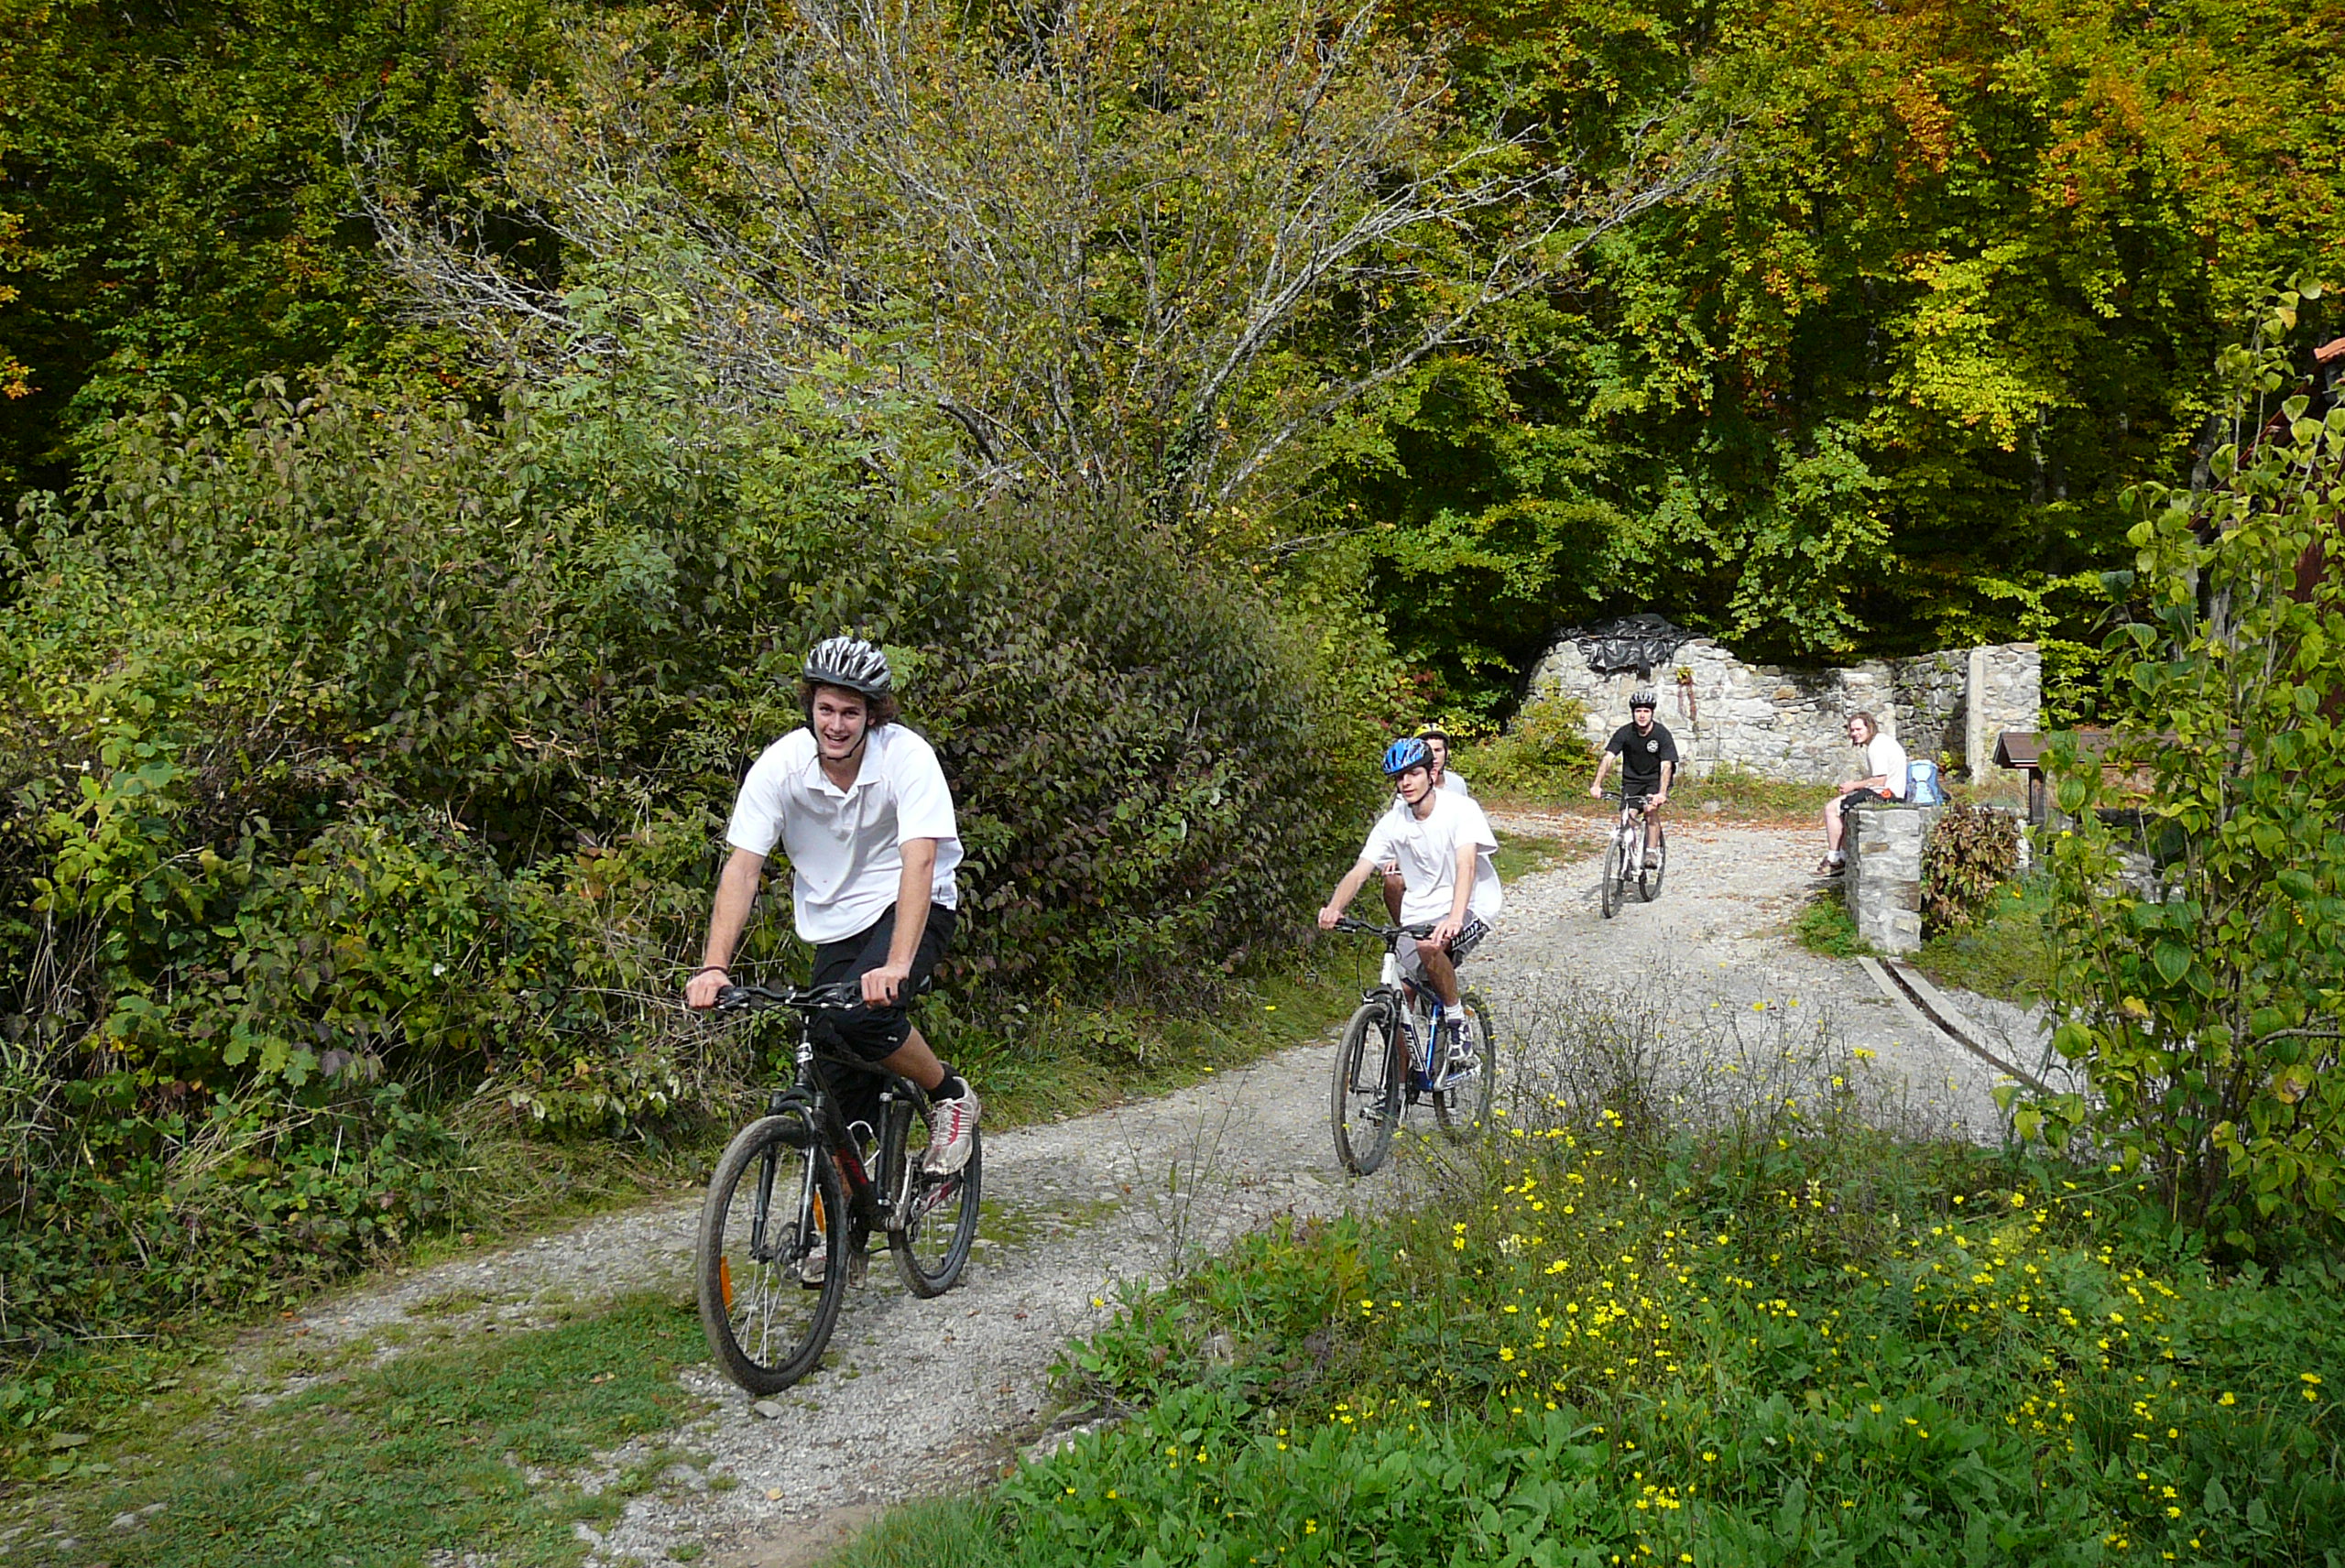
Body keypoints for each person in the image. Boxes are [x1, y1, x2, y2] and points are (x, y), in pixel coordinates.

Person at [684, 637, 981, 1210]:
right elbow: (743, 869)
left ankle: (950, 1095)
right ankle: (845, 1226)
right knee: (830, 1053)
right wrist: (714, 967)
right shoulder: (781, 767)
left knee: (866, 1017)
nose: (837, 725)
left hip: (914, 902)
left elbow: (919, 859)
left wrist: (896, 965)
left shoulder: (906, 757)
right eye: (826, 709)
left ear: (872, 715)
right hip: (835, 921)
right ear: (810, 708)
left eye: (851, 712)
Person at [1321, 737, 1502, 1068]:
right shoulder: (1394, 822)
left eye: (1413, 773)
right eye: (1399, 777)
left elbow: (1467, 865)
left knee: (1429, 948)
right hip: (1420, 910)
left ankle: (1457, 1021)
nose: (1406, 783)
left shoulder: (1460, 810)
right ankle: (1396, 1094)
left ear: (1431, 774)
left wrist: (1455, 918)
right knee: (1400, 996)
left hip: (1473, 904)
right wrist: (1334, 907)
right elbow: (1360, 870)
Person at [1383, 724, 1472, 920]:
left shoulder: (1457, 784)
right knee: (1392, 882)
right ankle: (1405, 930)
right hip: (1419, 854)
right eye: (1429, 750)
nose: (1435, 755)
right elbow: (1399, 828)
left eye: (1439, 750)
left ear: (1446, 753)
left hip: (1450, 854)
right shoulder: (1406, 794)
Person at [1588, 690, 1676, 872]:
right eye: (1638, 711)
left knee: (1650, 809)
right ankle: (1628, 853)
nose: (1642, 715)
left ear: (1652, 713)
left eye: (1646, 711)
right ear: (1633, 713)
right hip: (1632, 781)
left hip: (1654, 781)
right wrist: (1597, 784)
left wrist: (1662, 793)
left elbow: (1666, 766)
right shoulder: (1625, 733)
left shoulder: (1661, 734)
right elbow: (1608, 758)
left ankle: (1651, 851)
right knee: (1627, 817)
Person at [1818, 710, 1908, 875]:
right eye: (1852, 730)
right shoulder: (1883, 742)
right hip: (1893, 793)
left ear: (1870, 727)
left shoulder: (1876, 747)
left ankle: (1835, 859)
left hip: (1886, 794)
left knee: (1832, 808)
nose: (1855, 734)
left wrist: (1854, 785)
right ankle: (1843, 855)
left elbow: (1879, 780)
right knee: (1844, 808)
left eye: (1859, 729)